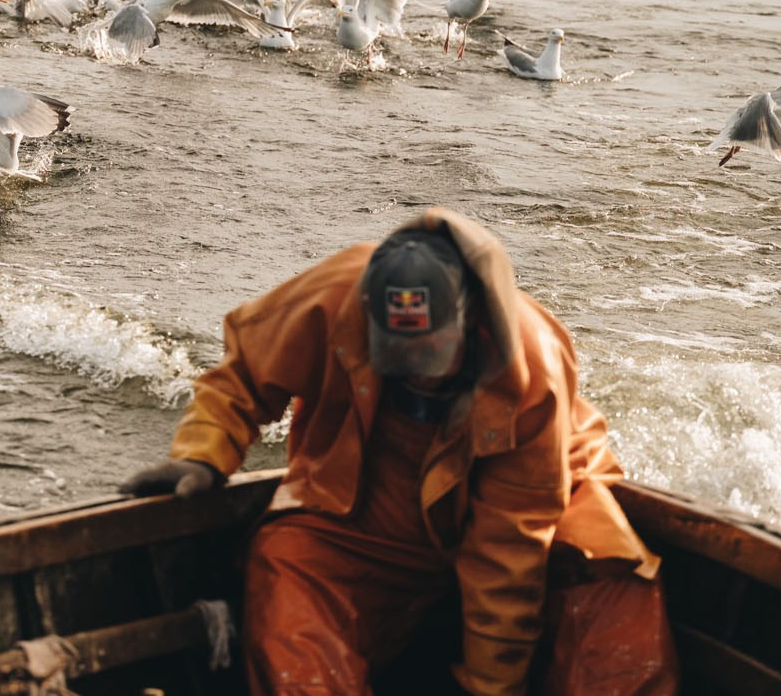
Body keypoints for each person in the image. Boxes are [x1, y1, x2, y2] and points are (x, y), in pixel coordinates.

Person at [121, 208, 679, 696]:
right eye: (398, 360)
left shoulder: (532, 369)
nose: (416, 378)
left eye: (429, 360)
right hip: (373, 500)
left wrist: (491, 689)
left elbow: (508, 552)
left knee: (614, 595)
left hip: (549, 499)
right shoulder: (330, 295)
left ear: (473, 326)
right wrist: (202, 454)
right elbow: (241, 378)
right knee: (286, 565)